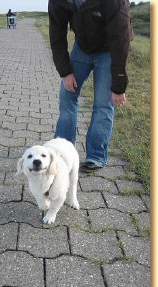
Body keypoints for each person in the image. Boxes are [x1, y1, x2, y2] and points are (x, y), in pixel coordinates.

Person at [48, 0, 134, 173]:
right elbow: (56, 34)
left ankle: (96, 156)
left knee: (103, 104)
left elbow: (120, 38)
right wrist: (66, 72)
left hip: (110, 50)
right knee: (67, 97)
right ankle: (62, 153)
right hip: (82, 48)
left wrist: (118, 85)